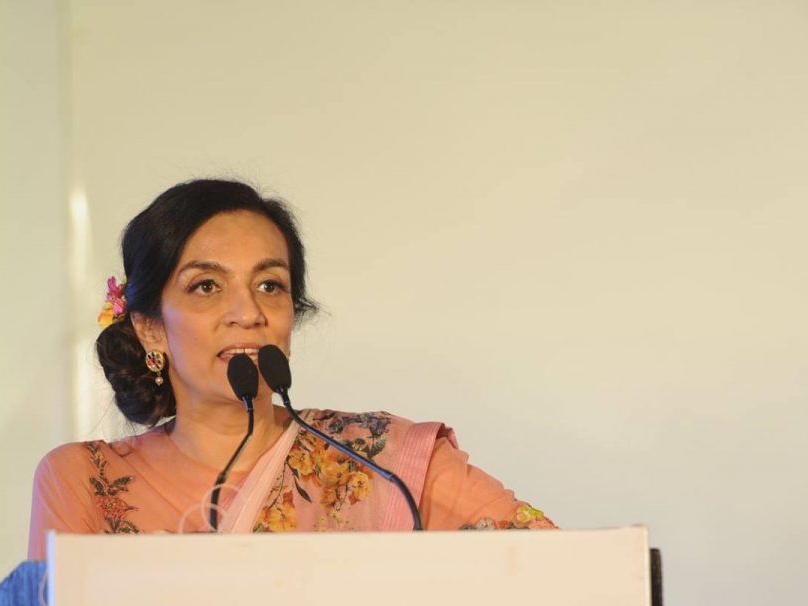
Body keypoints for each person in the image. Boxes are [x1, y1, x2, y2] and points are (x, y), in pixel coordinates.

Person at [27, 179, 553, 555]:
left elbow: (554, 566)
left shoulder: (380, 460)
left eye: (269, 285)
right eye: (207, 286)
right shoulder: (84, 481)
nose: (248, 313)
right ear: (150, 328)